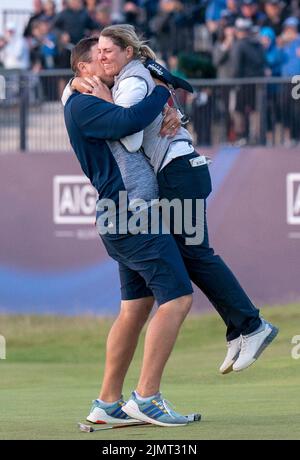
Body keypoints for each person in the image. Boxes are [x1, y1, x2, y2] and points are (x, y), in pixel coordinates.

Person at [65, 24, 278, 380]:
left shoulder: (133, 81)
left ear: (128, 53)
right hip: (178, 172)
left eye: (108, 51)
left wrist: (157, 96)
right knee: (192, 254)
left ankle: (251, 326)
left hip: (179, 172)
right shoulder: (121, 81)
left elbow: (130, 136)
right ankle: (242, 327)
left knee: (195, 254)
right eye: (97, 53)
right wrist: (79, 87)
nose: (102, 58)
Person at [64, 37, 196, 427]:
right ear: (82, 70)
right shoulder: (83, 102)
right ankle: (147, 398)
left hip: (123, 214)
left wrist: (169, 106)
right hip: (129, 213)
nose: (109, 65)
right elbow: (129, 121)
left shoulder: (100, 96)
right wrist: (160, 91)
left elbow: (134, 123)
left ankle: (107, 405)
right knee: (178, 298)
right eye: (99, 60)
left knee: (135, 309)